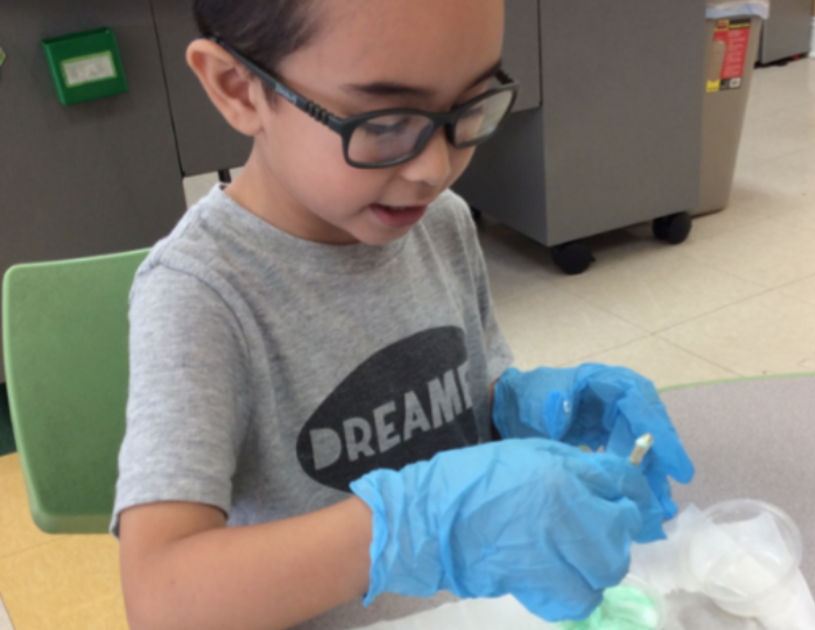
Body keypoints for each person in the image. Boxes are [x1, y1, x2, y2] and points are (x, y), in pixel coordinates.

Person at [113, 1, 694, 629]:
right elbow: (161, 597)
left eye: (469, 108)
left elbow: (465, 396)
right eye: (385, 121)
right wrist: (417, 520)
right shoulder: (200, 294)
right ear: (239, 88)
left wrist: (521, 406)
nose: (433, 169)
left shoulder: (440, 223)